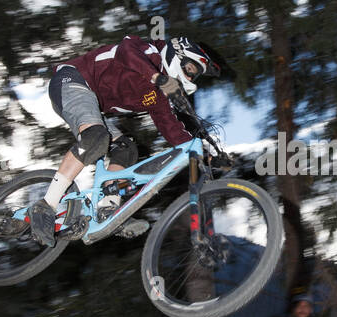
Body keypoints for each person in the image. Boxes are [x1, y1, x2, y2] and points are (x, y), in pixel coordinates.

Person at [28, 35, 221, 246]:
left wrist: (205, 156)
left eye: (195, 75)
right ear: (178, 53)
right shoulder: (149, 51)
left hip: (92, 105)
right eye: (191, 69)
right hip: (72, 80)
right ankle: (45, 206)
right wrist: (158, 77)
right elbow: (126, 51)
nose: (191, 77)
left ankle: (107, 209)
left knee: (126, 149)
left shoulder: (158, 98)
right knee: (96, 137)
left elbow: (172, 129)